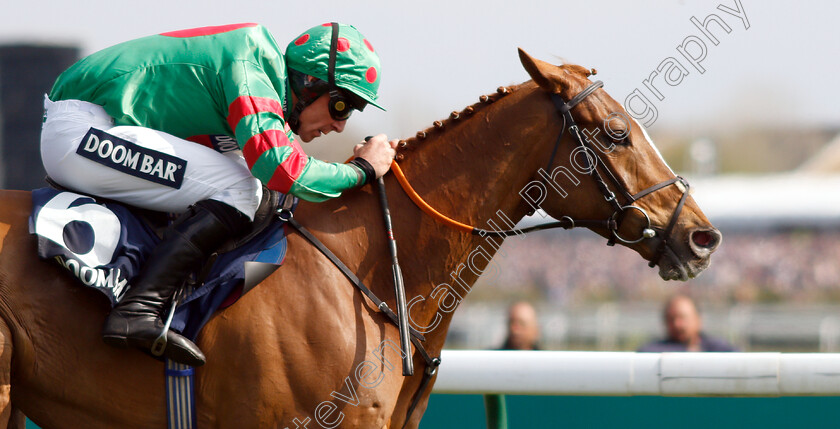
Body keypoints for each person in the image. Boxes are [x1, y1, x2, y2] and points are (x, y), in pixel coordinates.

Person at [40, 22, 398, 367]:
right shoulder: (250, 64)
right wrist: (361, 170)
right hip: (82, 131)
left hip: (97, 128)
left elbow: (285, 171)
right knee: (242, 188)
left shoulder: (265, 86)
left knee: (246, 185)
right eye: (342, 106)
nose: (341, 124)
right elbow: (283, 169)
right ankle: (140, 308)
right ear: (309, 83)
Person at [638, 294, 737, 352]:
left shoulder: (720, 349)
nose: (677, 324)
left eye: (682, 317)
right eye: (671, 319)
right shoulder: (652, 353)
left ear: (698, 319)